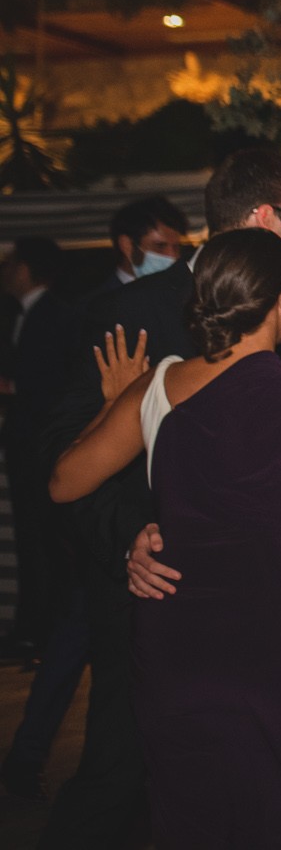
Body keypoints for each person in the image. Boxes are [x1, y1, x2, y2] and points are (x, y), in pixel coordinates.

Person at [40, 147, 281, 849]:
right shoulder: (128, 313)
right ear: (263, 217)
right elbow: (60, 457)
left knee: (245, 785)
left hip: (258, 595)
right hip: (152, 592)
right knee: (121, 773)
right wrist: (132, 532)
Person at [0, 319, 148, 800]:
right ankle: (29, 761)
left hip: (133, 541)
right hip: (93, 534)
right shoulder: (93, 316)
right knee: (72, 645)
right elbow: (61, 470)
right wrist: (117, 403)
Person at [1, 236, 82, 656]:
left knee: (43, 539)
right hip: (26, 443)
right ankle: (35, 629)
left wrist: (11, 386)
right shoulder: (23, 315)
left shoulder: (53, 315)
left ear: (28, 269)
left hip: (40, 446)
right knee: (36, 538)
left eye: (12, 263)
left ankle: (42, 631)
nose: (6, 270)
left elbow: (51, 383)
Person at [98, 196, 189, 295]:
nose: (173, 256)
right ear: (127, 246)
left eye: (176, 247)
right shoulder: (97, 306)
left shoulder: (182, 295)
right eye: (160, 246)